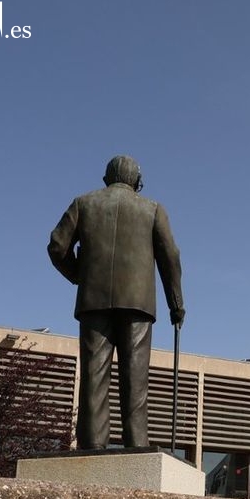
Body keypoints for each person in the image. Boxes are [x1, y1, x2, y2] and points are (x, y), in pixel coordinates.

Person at [48, 155, 185, 450]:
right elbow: (170, 258)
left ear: (106, 179)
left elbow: (57, 246)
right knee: (135, 382)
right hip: (137, 304)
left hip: (93, 301)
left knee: (93, 378)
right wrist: (177, 303)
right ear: (137, 181)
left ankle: (91, 449)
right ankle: (136, 447)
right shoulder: (152, 209)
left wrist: (79, 275)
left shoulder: (83, 203)